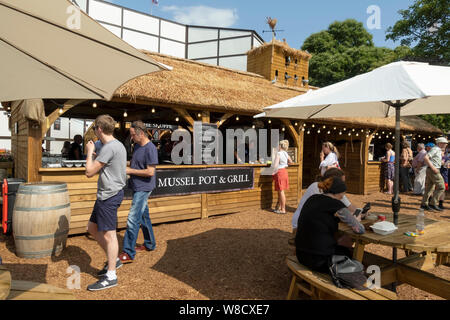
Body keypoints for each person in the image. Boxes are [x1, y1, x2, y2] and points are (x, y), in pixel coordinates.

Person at [85, 115, 127, 291]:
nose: (94, 131)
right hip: (106, 195)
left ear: (100, 129)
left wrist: (89, 152)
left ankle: (111, 276)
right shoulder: (116, 145)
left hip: (109, 196)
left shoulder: (110, 148)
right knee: (92, 228)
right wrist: (97, 154)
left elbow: (89, 172)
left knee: (110, 235)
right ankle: (114, 260)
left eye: (95, 128)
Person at [295, 177, 365, 273]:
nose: (344, 195)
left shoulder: (312, 198)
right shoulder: (336, 204)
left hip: (301, 255)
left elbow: (321, 217)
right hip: (320, 260)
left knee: (339, 243)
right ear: (339, 192)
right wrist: (356, 220)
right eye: (344, 193)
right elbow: (359, 230)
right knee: (348, 250)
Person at [119, 121, 158, 263]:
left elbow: (150, 171)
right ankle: (150, 244)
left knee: (132, 219)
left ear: (141, 133)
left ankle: (128, 253)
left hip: (144, 187)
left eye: (133, 135)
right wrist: (122, 164)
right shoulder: (137, 146)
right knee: (143, 216)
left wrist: (129, 171)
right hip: (137, 186)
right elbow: (134, 163)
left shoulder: (150, 149)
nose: (131, 138)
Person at [289, 168, 359, 246]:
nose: (343, 185)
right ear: (334, 182)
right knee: (346, 236)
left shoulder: (318, 186)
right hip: (304, 228)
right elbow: (350, 209)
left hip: (301, 224)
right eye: (342, 182)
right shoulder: (328, 192)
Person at [421, 137, 448, 212]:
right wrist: (433, 167)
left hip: (432, 169)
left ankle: (424, 204)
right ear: (440, 143)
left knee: (430, 188)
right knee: (442, 187)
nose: (446, 144)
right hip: (434, 170)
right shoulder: (435, 149)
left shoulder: (437, 149)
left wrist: (441, 163)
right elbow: (426, 158)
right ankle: (433, 203)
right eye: (444, 143)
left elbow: (431, 159)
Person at [273, 140, 293, 214]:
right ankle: (281, 208)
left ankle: (283, 209)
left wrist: (273, 172)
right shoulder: (286, 153)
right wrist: (286, 164)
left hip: (279, 172)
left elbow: (275, 165)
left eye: (278, 145)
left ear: (280, 146)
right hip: (284, 171)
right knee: (280, 191)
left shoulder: (279, 153)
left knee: (281, 191)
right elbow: (291, 162)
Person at [438, 144, 449, 209]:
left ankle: (440, 203)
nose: (442, 152)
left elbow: (447, 166)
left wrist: (445, 164)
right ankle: (431, 201)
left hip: (444, 176)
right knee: (434, 189)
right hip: (436, 175)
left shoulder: (446, 158)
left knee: (443, 190)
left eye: (443, 151)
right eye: (441, 151)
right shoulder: (436, 158)